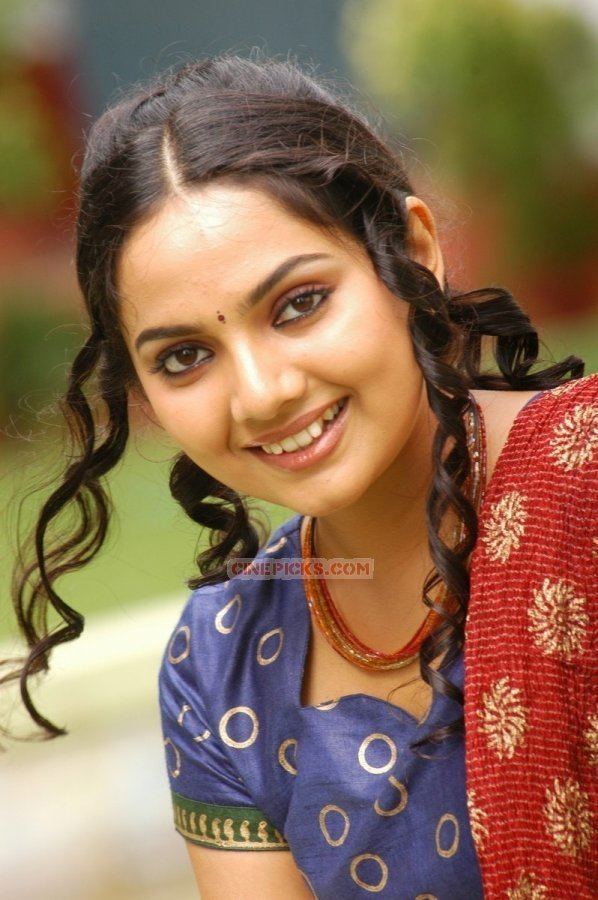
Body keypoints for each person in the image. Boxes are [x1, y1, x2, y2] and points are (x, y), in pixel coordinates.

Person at [6, 54, 596, 899]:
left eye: (298, 304)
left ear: (415, 251)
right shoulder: (221, 669)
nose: (262, 393)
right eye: (184, 357)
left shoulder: (586, 479)